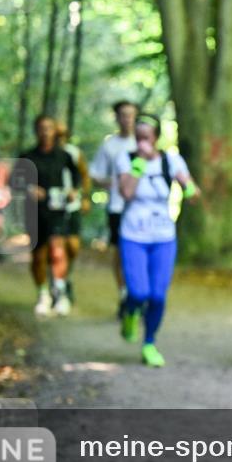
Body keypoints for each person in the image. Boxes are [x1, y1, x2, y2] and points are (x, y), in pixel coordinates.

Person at [116, 113, 199, 367]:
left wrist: (187, 186)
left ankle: (149, 343)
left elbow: (194, 196)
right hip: (133, 236)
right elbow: (126, 193)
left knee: (158, 296)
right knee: (138, 292)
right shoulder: (127, 158)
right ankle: (130, 313)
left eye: (147, 136)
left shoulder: (172, 160)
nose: (142, 140)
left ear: (156, 137)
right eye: (138, 136)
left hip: (163, 237)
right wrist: (139, 163)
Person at [14, 115, 81, 317]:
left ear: (55, 131)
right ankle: (43, 293)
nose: (45, 132)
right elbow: (13, 181)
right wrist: (29, 188)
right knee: (39, 256)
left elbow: (77, 176)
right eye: (42, 128)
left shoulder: (63, 155)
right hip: (34, 213)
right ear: (36, 131)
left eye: (49, 128)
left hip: (57, 210)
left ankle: (60, 294)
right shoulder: (27, 156)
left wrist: (73, 191)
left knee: (58, 251)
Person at [89, 100, 139, 318]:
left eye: (131, 115)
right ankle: (123, 295)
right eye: (123, 115)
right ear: (117, 118)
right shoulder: (109, 146)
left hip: (141, 209)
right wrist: (112, 183)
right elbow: (94, 174)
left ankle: (137, 295)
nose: (127, 119)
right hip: (118, 208)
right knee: (120, 254)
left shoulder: (145, 143)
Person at [56, 120, 92, 301]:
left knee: (73, 246)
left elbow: (84, 176)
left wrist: (84, 197)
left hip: (72, 205)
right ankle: (57, 283)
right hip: (51, 207)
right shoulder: (43, 154)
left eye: (63, 135)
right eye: (57, 134)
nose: (59, 138)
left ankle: (66, 277)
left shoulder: (74, 153)